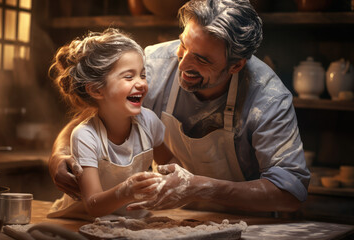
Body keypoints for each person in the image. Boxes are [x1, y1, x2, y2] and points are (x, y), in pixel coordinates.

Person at [49, 0, 310, 214]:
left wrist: (201, 187)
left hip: (247, 223)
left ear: (236, 65)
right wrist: (59, 155)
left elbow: (290, 192)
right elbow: (91, 119)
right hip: (173, 216)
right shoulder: (151, 64)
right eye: (183, 46)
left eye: (201, 59)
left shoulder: (268, 97)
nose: (183, 65)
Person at [46, 28, 174, 220]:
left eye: (143, 75)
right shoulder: (85, 135)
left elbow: (169, 163)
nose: (141, 84)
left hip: (131, 217)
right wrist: (126, 191)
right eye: (129, 77)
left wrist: (167, 181)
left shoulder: (149, 122)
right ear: (97, 90)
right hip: (80, 221)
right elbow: (93, 206)